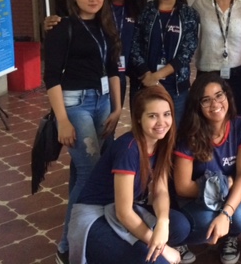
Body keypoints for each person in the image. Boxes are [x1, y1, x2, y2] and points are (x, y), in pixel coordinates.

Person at [43, 0, 122, 263]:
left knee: (89, 170)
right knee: (91, 173)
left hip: (103, 103)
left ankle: (94, 229)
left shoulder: (105, 27)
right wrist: (62, 119)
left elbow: (113, 70)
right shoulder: (62, 28)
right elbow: (51, 77)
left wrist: (117, 108)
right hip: (74, 105)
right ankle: (67, 245)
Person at [68, 86, 191, 264]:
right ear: (139, 119)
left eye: (166, 114)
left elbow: (160, 190)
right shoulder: (129, 148)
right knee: (160, 261)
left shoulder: (161, 143)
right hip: (95, 216)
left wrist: (163, 222)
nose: (161, 122)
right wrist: (162, 248)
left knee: (179, 226)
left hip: (120, 210)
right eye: (152, 116)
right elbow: (124, 213)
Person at [45, 0, 149, 113]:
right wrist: (50, 22)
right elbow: (75, 24)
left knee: (112, 121)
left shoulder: (137, 8)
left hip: (119, 74)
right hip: (95, 75)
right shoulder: (94, 5)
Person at [174, 75, 241, 264]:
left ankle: (230, 236)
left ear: (227, 96)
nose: (215, 103)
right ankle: (178, 238)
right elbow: (183, 187)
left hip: (224, 196)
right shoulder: (189, 133)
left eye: (219, 95)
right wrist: (224, 184)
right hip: (194, 199)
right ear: (197, 105)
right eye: (206, 100)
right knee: (206, 224)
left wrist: (226, 213)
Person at [130, 0, 200, 127]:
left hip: (176, 89)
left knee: (174, 137)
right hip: (143, 85)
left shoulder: (189, 14)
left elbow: (186, 52)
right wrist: (147, 75)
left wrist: (157, 76)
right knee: (144, 136)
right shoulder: (144, 11)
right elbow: (134, 46)